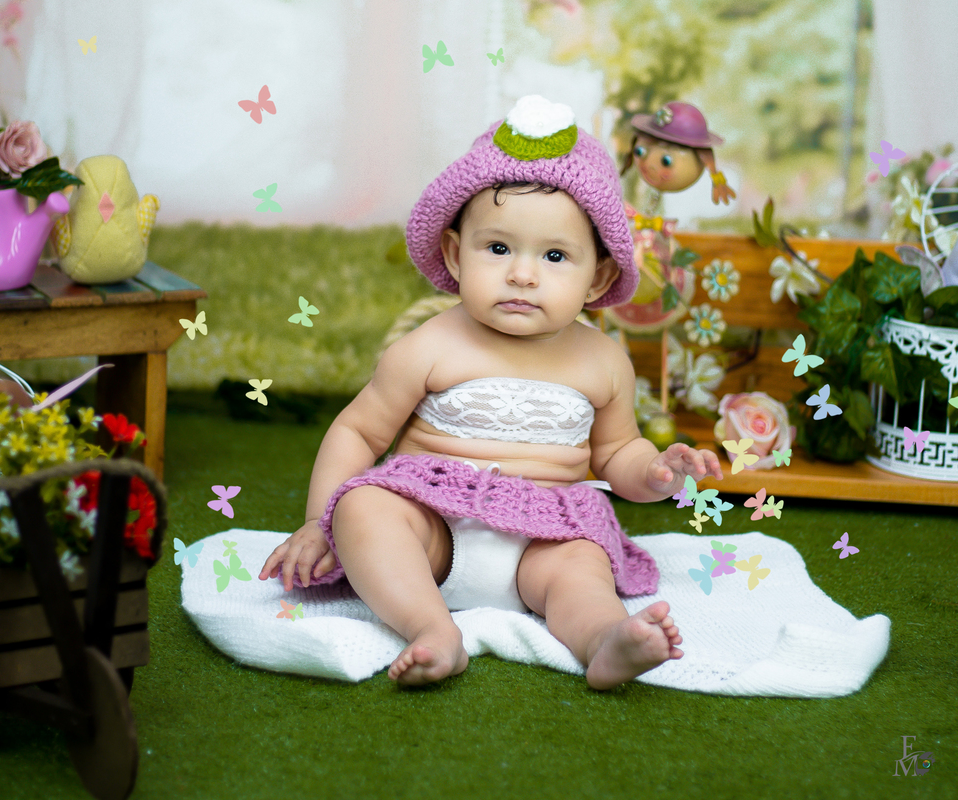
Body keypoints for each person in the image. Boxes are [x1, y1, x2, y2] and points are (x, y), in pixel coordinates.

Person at [257, 95, 724, 689]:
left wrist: (656, 472)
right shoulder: (430, 345)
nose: (522, 274)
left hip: (546, 538)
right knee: (363, 507)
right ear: (456, 255)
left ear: (598, 277)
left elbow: (615, 454)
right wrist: (318, 521)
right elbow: (359, 430)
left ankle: (605, 640)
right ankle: (431, 628)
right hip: (434, 528)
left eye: (555, 256)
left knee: (583, 567)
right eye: (498, 248)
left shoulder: (604, 361)